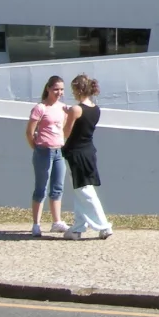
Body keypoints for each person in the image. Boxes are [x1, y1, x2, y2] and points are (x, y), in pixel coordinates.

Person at [61, 74, 114, 240]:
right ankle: (78, 228)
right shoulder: (96, 109)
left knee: (84, 191)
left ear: (78, 89)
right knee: (80, 191)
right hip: (88, 151)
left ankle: (103, 226)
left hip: (75, 152)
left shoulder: (76, 109)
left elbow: (66, 132)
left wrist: (67, 116)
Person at [23, 75, 70, 236]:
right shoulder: (40, 108)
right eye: (56, 89)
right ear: (48, 89)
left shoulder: (64, 108)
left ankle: (57, 221)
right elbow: (29, 132)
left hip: (59, 151)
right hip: (44, 150)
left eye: (62, 89)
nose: (59, 92)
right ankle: (36, 223)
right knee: (41, 188)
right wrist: (36, 147)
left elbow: (63, 129)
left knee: (57, 187)